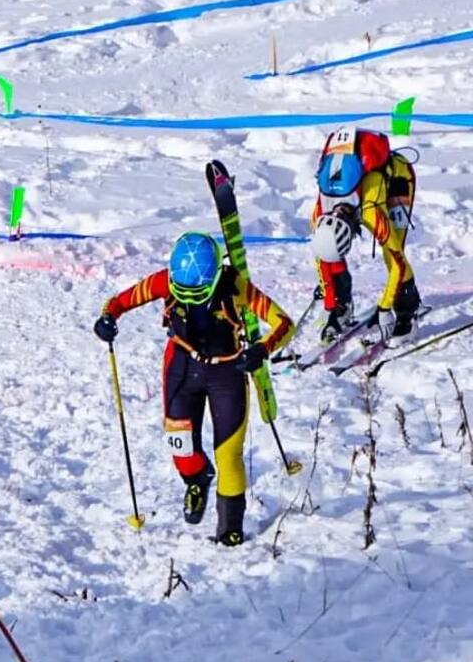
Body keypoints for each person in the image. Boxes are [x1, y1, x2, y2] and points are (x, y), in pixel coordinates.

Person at [93, 232, 294, 546]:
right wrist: (107, 319)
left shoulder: (235, 285)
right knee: (180, 445)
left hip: (227, 373)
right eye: (181, 292)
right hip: (181, 369)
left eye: (196, 292)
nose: (187, 298)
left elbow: (283, 322)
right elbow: (119, 302)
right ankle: (197, 480)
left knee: (228, 455)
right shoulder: (162, 281)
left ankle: (230, 530)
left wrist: (261, 350)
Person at [310, 126, 420, 344]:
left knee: (393, 253)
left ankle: (408, 312)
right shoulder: (319, 215)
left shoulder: (370, 213)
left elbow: (397, 261)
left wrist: (384, 307)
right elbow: (323, 259)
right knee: (331, 253)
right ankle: (343, 306)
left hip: (398, 180)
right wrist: (331, 307)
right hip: (362, 186)